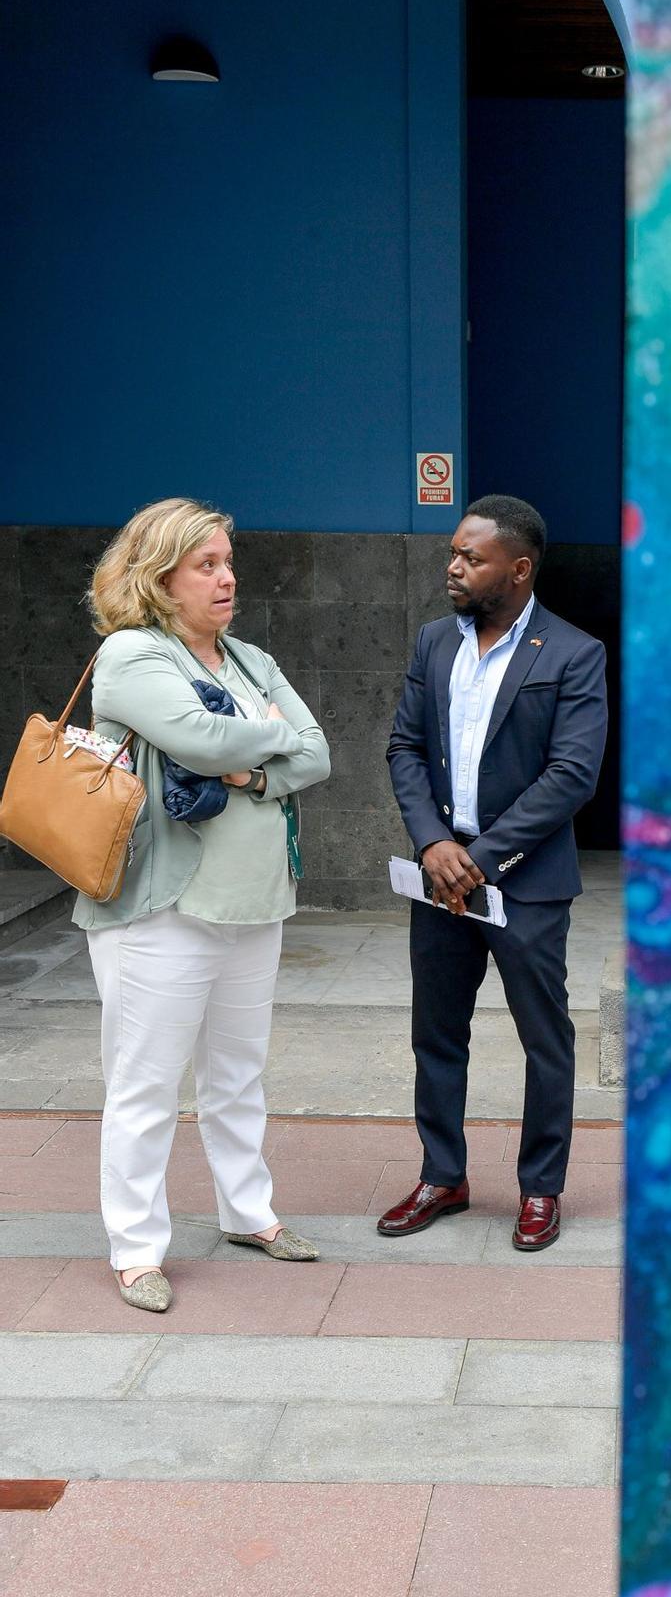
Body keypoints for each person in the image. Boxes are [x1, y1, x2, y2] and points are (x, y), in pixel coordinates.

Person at [77, 497, 331, 1311]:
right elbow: (200, 740)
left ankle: (247, 1214)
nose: (227, 579)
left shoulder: (249, 660)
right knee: (145, 1083)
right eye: (207, 566)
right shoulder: (131, 656)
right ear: (160, 578)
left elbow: (318, 752)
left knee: (237, 1075)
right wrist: (267, 738)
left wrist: (256, 766)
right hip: (162, 908)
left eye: (228, 562)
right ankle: (136, 1248)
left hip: (255, 902)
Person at [381, 494, 608, 1252]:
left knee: (546, 1040)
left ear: (517, 568)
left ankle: (540, 1188)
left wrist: (476, 860)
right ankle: (442, 1175)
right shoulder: (432, 644)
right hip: (439, 880)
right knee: (436, 1034)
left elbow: (571, 776)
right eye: (453, 552)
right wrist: (432, 844)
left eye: (470, 557)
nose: (453, 566)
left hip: (527, 883)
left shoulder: (574, 654)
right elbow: (403, 750)